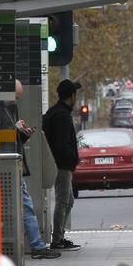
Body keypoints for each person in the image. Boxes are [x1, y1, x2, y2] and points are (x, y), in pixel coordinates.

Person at [9, 80, 60, 258]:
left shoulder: (8, 111)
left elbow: (11, 141)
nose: (16, 101)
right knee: (26, 206)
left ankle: (37, 245)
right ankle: (37, 246)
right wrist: (13, 129)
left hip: (14, 166)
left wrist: (23, 136)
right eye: (15, 97)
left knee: (24, 206)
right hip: (8, 166)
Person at [43, 79, 82, 251]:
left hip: (59, 164)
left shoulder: (55, 112)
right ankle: (57, 240)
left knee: (68, 200)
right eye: (76, 95)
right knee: (62, 201)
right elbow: (61, 144)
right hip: (62, 165)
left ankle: (60, 235)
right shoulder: (61, 116)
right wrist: (72, 159)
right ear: (72, 96)